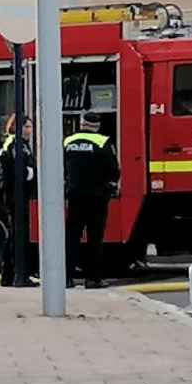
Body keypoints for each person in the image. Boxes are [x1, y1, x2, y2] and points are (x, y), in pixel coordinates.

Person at [63, 112, 119, 288]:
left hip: (74, 196)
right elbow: (114, 170)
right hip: (97, 198)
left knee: (72, 237)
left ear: (81, 124)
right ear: (97, 126)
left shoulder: (68, 142)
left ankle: (66, 277)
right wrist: (109, 188)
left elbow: (61, 167)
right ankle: (93, 278)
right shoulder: (103, 142)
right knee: (95, 239)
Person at [0, 115, 37, 287]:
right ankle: (18, 274)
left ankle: (9, 275)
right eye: (26, 127)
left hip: (18, 194)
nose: (30, 130)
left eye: (30, 127)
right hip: (15, 194)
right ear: (16, 128)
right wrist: (32, 174)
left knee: (15, 234)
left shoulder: (19, 144)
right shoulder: (15, 145)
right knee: (18, 235)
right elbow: (18, 170)